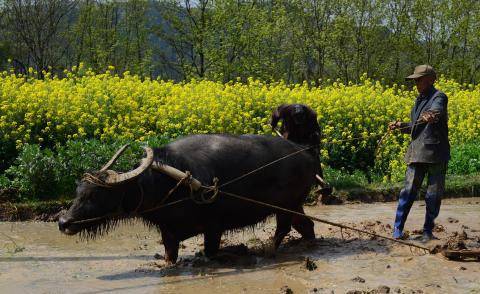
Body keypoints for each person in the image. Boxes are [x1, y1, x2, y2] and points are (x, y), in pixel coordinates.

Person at [388, 65, 450, 242]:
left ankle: (428, 230)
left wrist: (432, 115)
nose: (416, 83)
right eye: (415, 80)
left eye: (419, 79)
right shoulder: (418, 100)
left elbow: (436, 111)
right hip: (416, 153)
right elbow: (416, 126)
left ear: (431, 80)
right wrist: (400, 126)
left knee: (433, 194)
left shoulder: (439, 96)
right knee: (407, 192)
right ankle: (397, 230)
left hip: (435, 154)